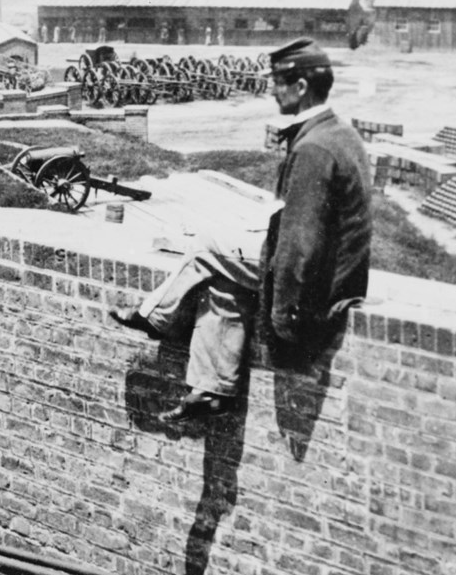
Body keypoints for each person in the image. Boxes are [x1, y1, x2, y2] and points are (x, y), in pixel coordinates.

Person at [111, 37, 372, 422]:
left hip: (318, 286)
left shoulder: (314, 148)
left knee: (208, 243)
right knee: (221, 278)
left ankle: (156, 316)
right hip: (340, 277)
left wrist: (284, 319)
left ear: (301, 88)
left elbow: (299, 245)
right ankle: (211, 391)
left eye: (279, 82)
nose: (271, 89)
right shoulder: (340, 133)